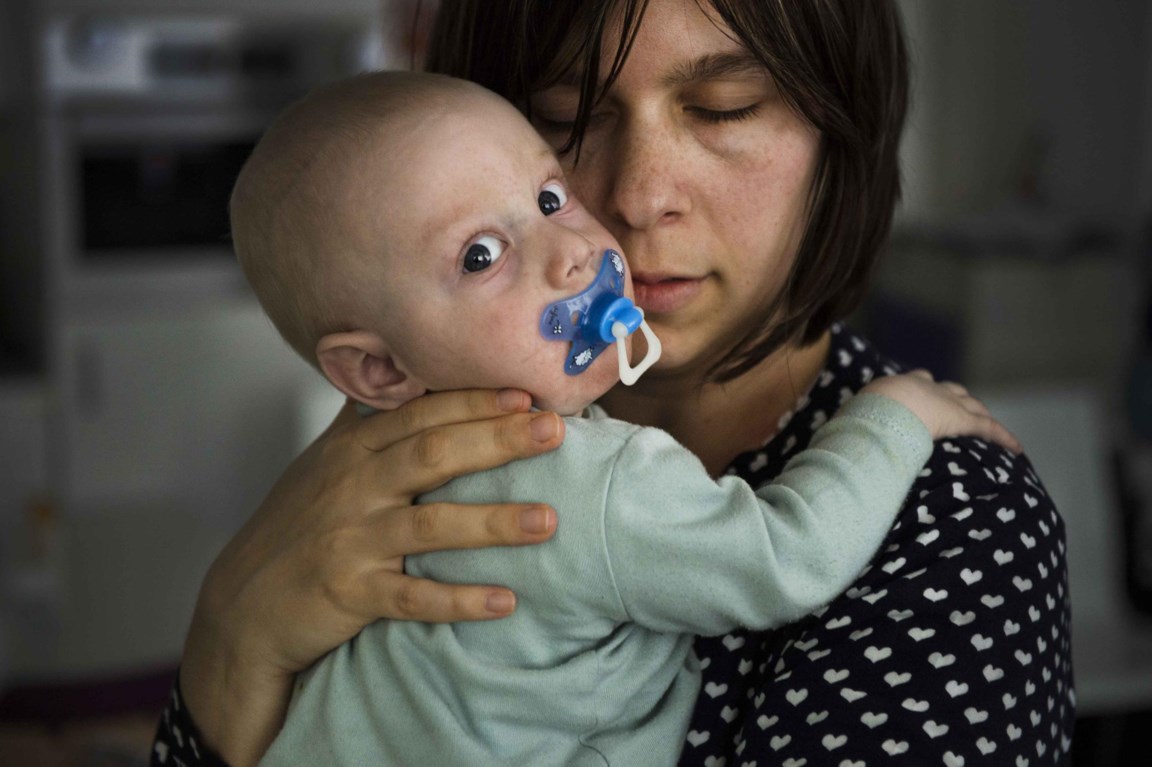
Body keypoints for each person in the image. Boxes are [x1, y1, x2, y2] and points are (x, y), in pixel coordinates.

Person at [151, 1, 1075, 765]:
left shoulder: (953, 519)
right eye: (564, 118)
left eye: (721, 106)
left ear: (842, 128)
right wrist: (232, 637)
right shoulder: (367, 481)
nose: (635, 199)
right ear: (378, 369)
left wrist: (230, 657)